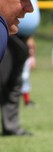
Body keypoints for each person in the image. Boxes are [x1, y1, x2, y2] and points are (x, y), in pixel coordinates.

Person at [0, 0, 38, 135]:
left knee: (15, 83)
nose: (30, 9)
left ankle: (11, 125)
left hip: (21, 36)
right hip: (13, 37)